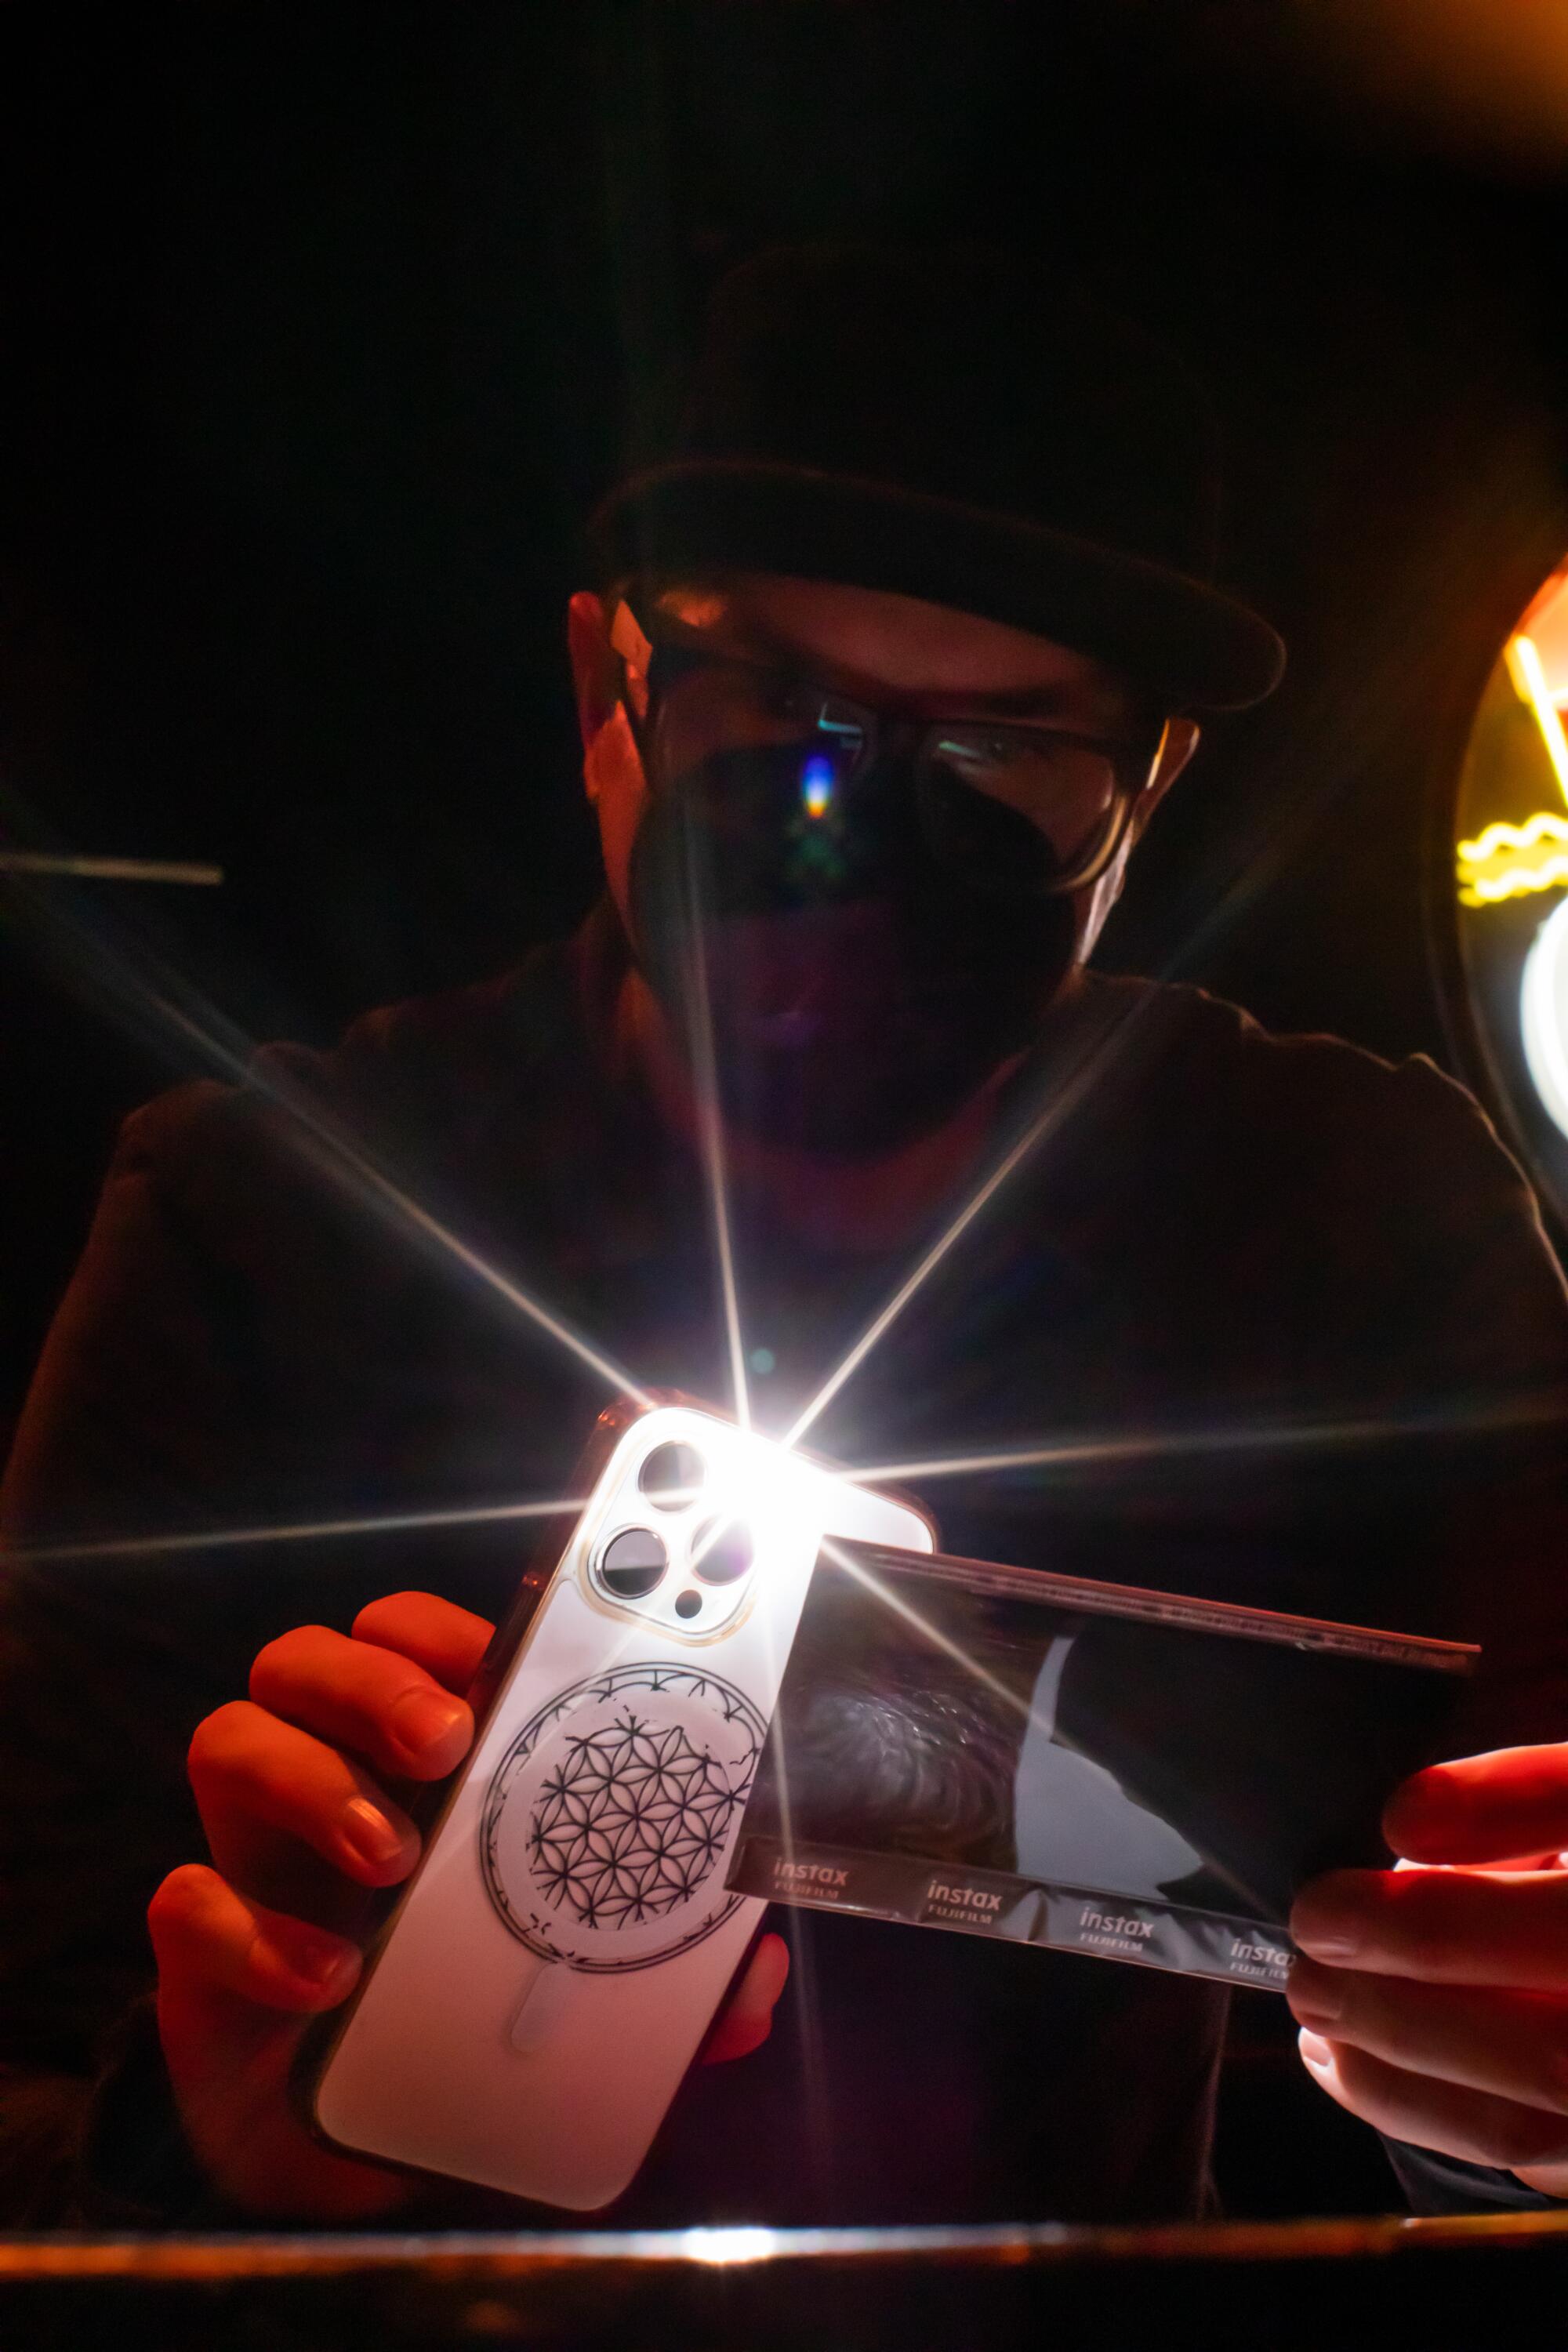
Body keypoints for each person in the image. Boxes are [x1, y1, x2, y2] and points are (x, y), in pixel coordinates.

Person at [2, 243, 1567, 2228]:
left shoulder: (1348, 1202)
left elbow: (1512, 1941)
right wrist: (217, 2141)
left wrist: (1495, 2098)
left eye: (1005, 761)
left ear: (1146, 792)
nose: (854, 833)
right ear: (609, 692)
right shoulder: (268, 1217)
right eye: (780, 711)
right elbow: (27, 2073)